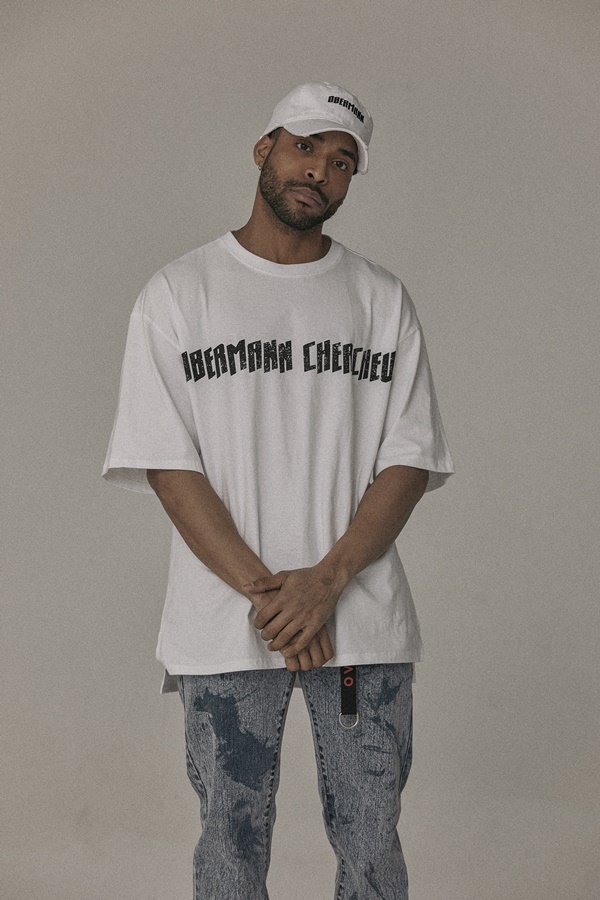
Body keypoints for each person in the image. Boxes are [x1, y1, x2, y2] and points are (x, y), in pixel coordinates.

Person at [102, 81, 455, 900]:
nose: (320, 171)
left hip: (359, 624)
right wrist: (277, 599)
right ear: (264, 149)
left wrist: (326, 583)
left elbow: (408, 461)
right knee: (229, 841)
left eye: (343, 162)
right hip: (227, 623)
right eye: (306, 146)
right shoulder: (178, 294)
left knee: (371, 844)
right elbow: (167, 463)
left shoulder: (380, 300)